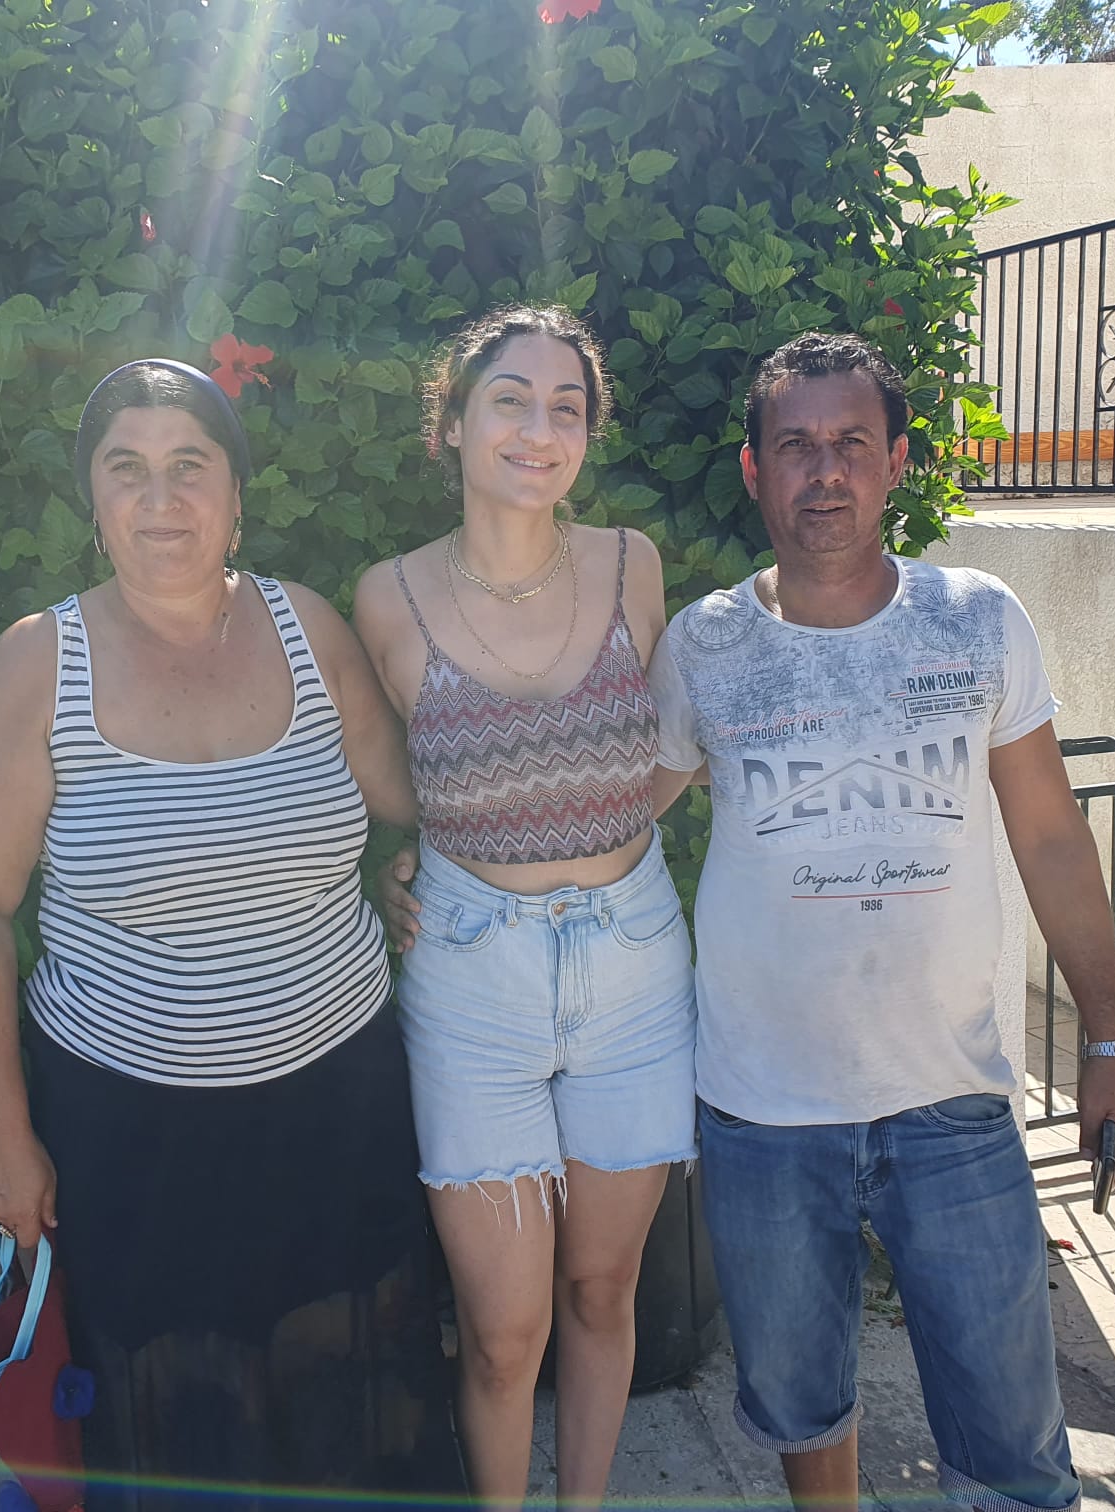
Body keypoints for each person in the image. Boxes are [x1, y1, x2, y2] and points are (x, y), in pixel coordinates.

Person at [0, 359, 455, 1511]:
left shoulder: (308, 628)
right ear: (93, 498)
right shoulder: (35, 669)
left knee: (354, 1395)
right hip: (133, 1140)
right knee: (175, 1418)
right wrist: (1, 1138)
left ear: (235, 494)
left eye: (188, 466)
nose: (160, 497)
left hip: (342, 1114)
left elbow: (416, 801)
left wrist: (421, 865)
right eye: (127, 468)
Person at [646, 332, 1115, 1512]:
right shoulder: (702, 645)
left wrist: (1111, 1038)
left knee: (1014, 1442)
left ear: (896, 462)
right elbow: (624, 813)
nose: (824, 470)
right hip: (764, 1109)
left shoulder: (976, 619)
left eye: (851, 443)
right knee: (800, 1406)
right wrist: (455, 869)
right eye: (796, 446)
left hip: (954, 1104)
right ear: (754, 469)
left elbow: (1051, 837)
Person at [351, 306, 697, 1508]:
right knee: (502, 1334)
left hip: (634, 966)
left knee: (603, 1292)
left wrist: (598, 824)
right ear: (451, 422)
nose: (537, 430)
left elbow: (668, 749)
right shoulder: (386, 599)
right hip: (472, 979)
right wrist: (399, 863)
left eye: (566, 407)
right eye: (509, 400)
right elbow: (388, 782)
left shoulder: (632, 566)